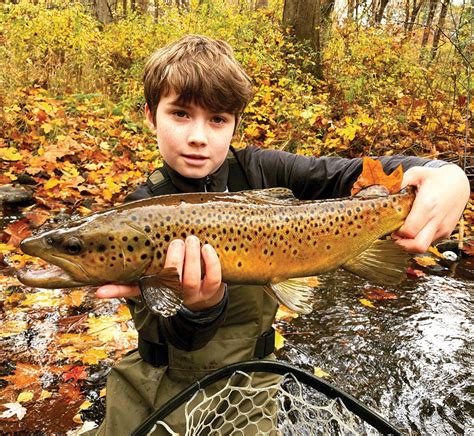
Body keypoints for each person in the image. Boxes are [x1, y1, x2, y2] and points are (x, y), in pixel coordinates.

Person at [91, 35, 470, 434]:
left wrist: (448, 176)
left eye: (217, 119)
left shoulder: (262, 169)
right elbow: (173, 335)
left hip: (252, 384)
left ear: (235, 122)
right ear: (151, 115)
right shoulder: (136, 217)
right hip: (160, 379)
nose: (199, 137)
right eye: (181, 114)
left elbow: (352, 173)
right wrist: (200, 309)